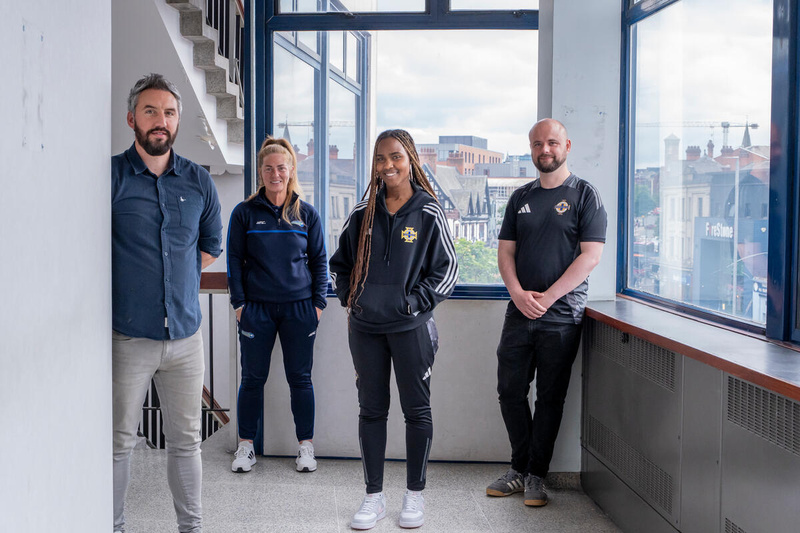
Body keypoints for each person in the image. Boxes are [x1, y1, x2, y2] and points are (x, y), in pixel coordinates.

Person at [329, 129, 459, 530]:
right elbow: (339, 265)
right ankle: (374, 497)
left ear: (411, 160)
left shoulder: (428, 211)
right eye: (381, 158)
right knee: (371, 411)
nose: (388, 165)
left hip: (410, 328)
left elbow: (448, 270)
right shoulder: (362, 213)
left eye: (396, 157)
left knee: (416, 411)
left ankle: (414, 494)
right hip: (365, 328)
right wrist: (352, 297)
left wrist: (412, 303)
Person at [112, 73, 223, 533]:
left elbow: (209, 246)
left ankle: (191, 528)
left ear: (178, 121)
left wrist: (174, 280)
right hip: (128, 336)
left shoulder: (198, 180)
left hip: (185, 336)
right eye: (151, 111)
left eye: (170, 113)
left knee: (187, 441)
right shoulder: (110, 177)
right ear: (132, 118)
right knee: (118, 443)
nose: (161, 121)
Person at [486, 118, 606, 507]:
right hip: (519, 311)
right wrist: (518, 293)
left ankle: (536, 475)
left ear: (566, 146)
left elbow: (590, 257)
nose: (545, 150)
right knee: (509, 391)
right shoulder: (520, 197)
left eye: (552, 142)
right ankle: (519, 469)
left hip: (562, 316)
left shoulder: (586, 195)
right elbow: (505, 251)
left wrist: (548, 298)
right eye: (537, 144)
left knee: (550, 398)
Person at [227, 137, 327, 474]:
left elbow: (320, 261)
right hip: (256, 311)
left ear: (291, 170)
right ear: (260, 172)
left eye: (281, 168)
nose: (275, 174)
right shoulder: (244, 213)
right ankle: (245, 447)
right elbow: (234, 261)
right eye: (268, 168)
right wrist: (240, 305)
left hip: (300, 310)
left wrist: (318, 304)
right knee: (252, 380)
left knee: (300, 380)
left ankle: (306, 447)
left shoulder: (306, 214)